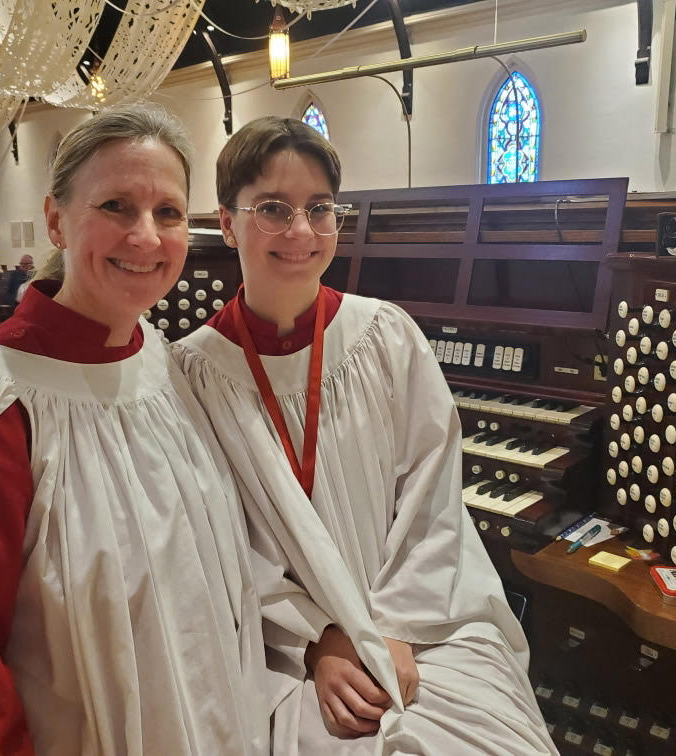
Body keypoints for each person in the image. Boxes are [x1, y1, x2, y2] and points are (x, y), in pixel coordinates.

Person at [0, 105, 269, 755]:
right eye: (117, 206)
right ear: (54, 220)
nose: (146, 237)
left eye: (169, 213)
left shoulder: (166, 367)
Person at [172, 117, 556, 754]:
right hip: (283, 648)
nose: (300, 231)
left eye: (318, 209)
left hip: (424, 619)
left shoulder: (386, 336)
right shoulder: (194, 374)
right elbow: (217, 545)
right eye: (273, 208)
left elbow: (433, 498)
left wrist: (395, 627)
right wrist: (319, 639)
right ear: (229, 220)